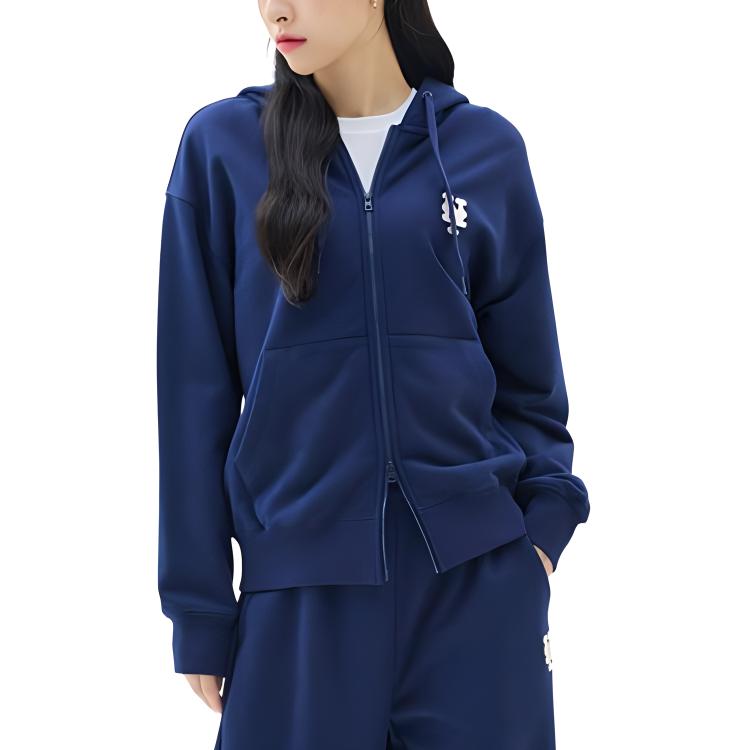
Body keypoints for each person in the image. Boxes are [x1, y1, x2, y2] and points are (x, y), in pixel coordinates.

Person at [156, 1, 590, 747]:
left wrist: (541, 535)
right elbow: (193, 394)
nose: (276, 9)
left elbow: (531, 383)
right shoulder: (223, 149)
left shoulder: (484, 149)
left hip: (477, 591)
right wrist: (199, 606)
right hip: (297, 598)